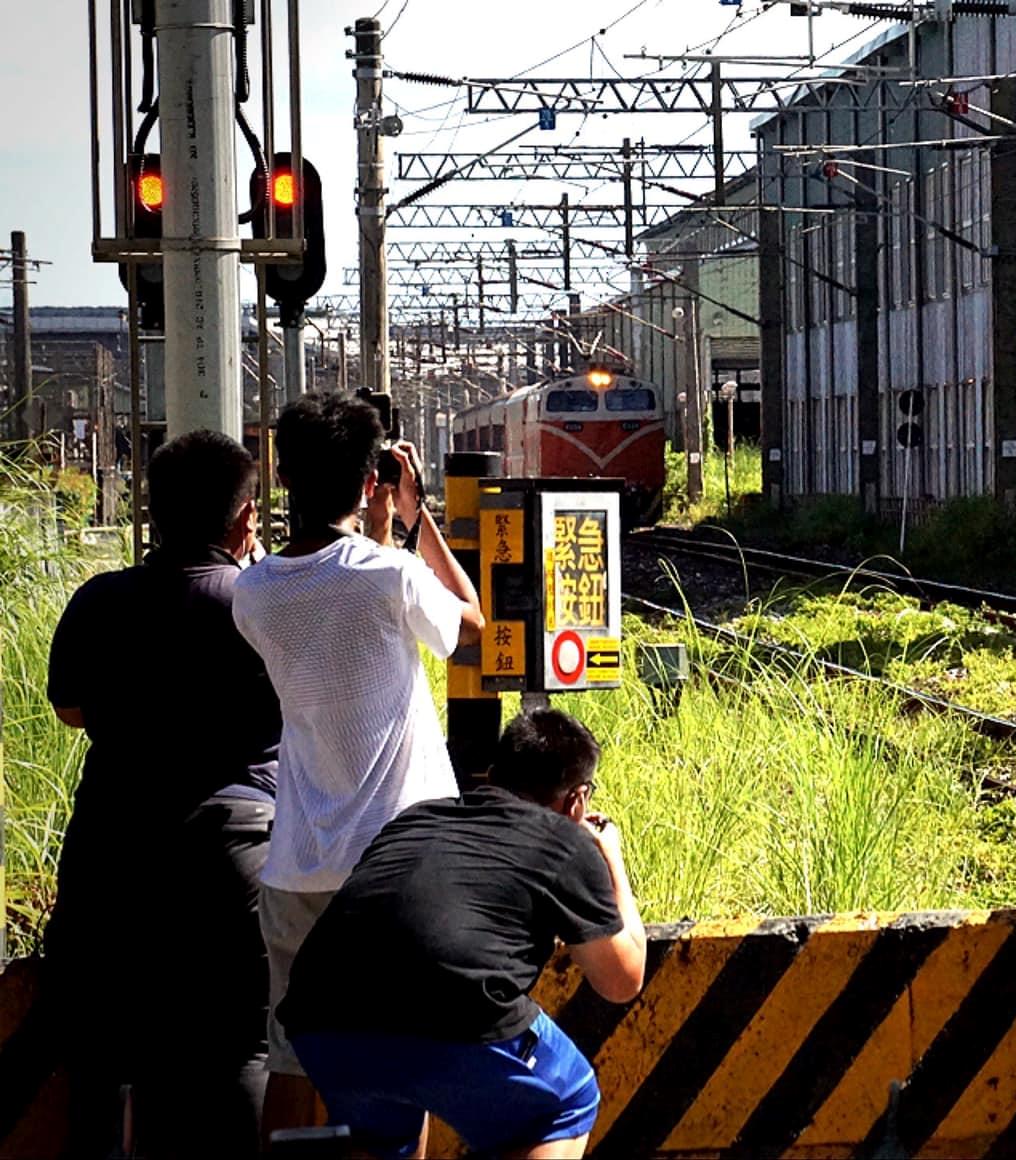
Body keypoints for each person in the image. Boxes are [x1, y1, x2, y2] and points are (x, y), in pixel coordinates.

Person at [231, 391, 485, 1132]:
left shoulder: (252, 594)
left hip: (297, 864)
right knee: (405, 1048)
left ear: (284, 478)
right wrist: (415, 517)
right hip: (396, 865)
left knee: (290, 1054)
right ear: (371, 478)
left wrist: (377, 531)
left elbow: (332, 596)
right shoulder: (389, 574)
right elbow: (470, 623)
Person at [44, 430, 281, 1156]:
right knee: (239, 1045)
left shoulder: (99, 600)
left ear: (152, 510)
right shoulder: (262, 607)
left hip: (111, 849)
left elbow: (71, 709)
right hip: (235, 853)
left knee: (101, 1052)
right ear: (246, 518)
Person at [282, 710, 647, 1159]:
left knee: (382, 1140)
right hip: (455, 1008)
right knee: (567, 1103)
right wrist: (612, 857)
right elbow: (622, 980)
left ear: (492, 776)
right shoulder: (563, 840)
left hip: (319, 1014)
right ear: (578, 800)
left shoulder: (417, 819)